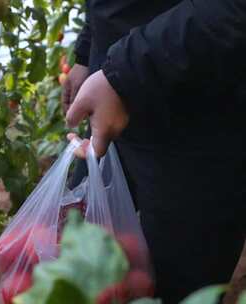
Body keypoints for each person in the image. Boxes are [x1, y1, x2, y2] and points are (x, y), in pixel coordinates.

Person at [62, 0, 246, 302]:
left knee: (177, 286)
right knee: (77, 265)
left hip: (201, 127)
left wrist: (123, 75)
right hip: (114, 99)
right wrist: (87, 51)